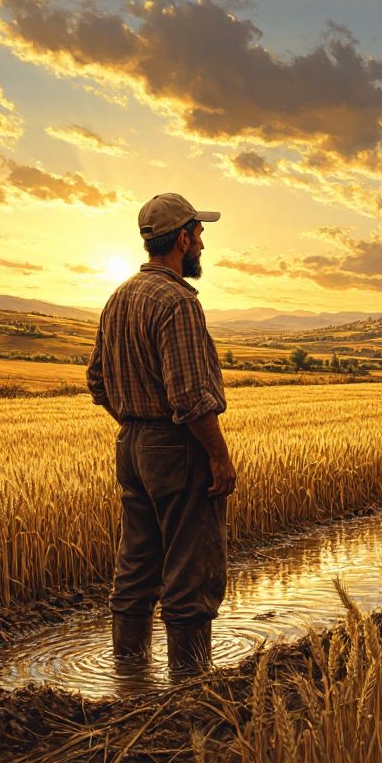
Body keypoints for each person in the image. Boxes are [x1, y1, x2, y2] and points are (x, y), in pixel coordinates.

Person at [86, 192, 236, 676]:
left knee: (137, 562)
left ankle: (128, 674)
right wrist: (218, 456)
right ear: (184, 239)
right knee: (192, 566)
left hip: (131, 446)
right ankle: (188, 687)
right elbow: (190, 396)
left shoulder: (118, 297)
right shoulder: (178, 302)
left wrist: (137, 425)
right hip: (176, 447)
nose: (203, 246)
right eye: (200, 235)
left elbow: (97, 381)